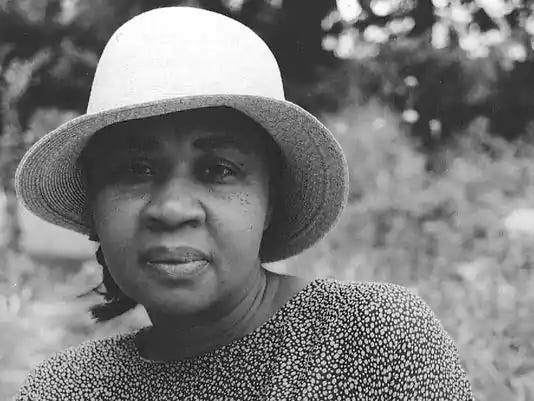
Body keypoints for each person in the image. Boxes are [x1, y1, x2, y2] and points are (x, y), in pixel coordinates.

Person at [14, 6, 474, 401]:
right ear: (94, 204)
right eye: (136, 169)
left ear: (270, 200)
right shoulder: (66, 388)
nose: (172, 209)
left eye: (218, 170)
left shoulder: (375, 341)